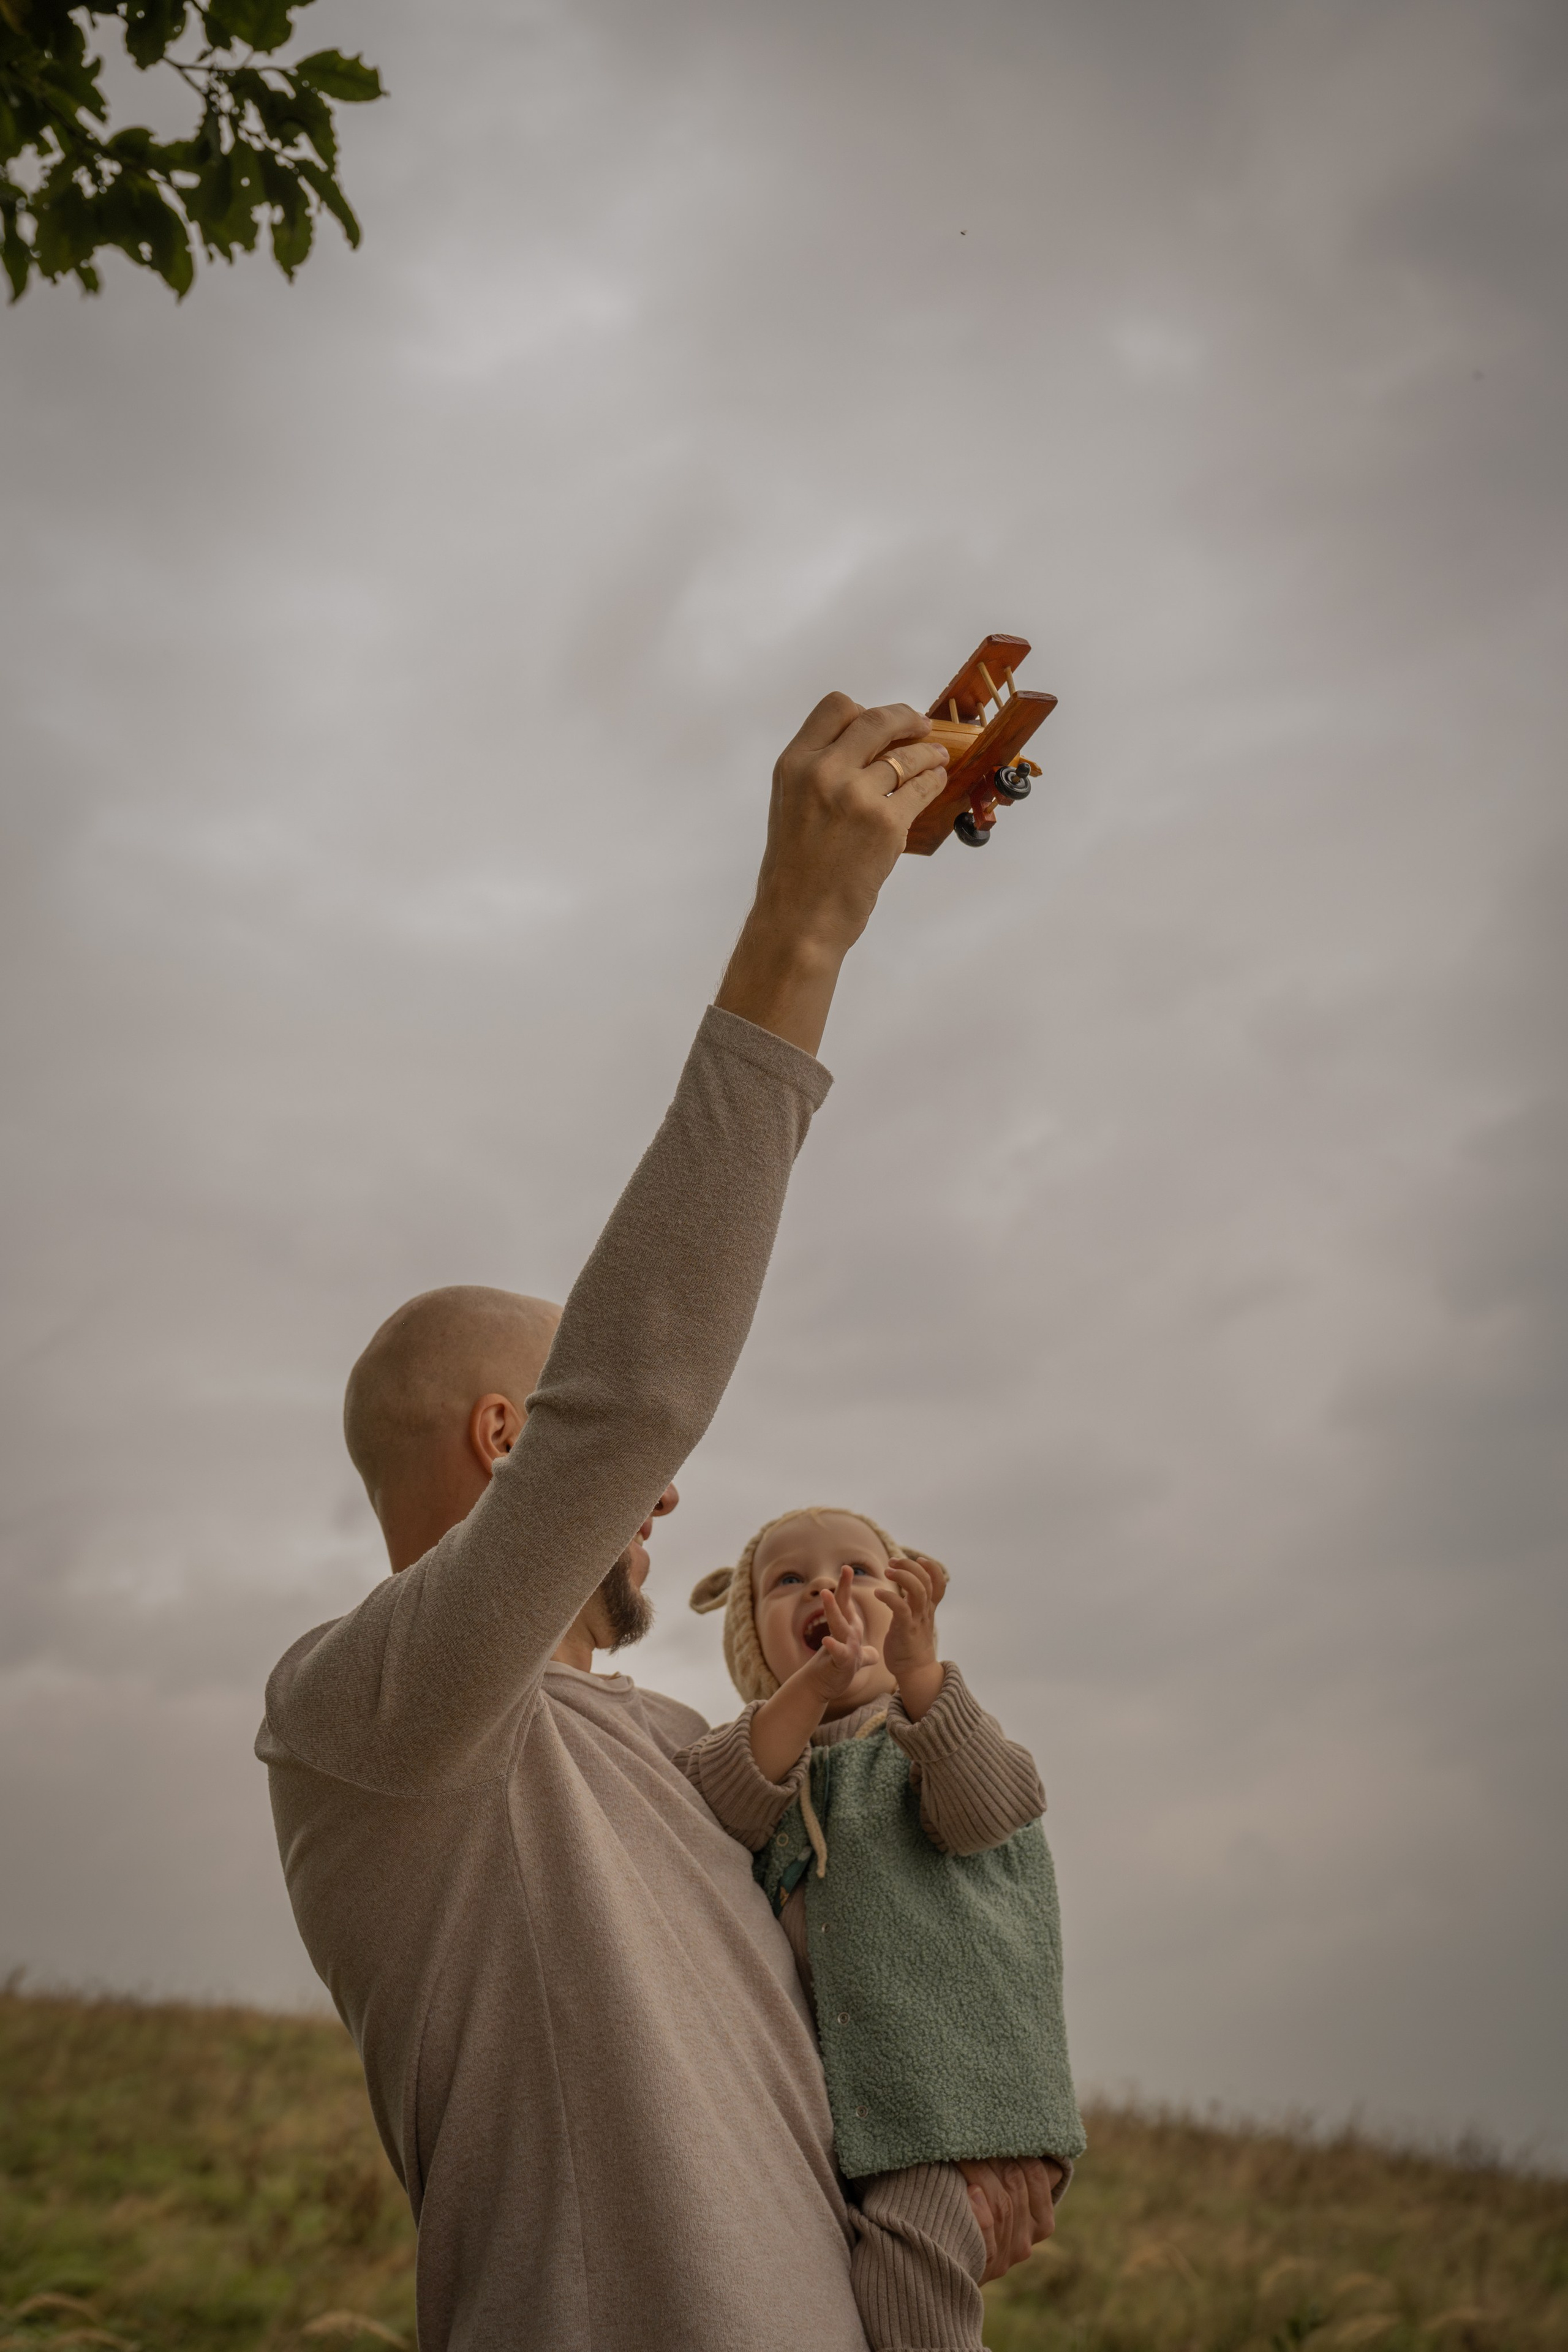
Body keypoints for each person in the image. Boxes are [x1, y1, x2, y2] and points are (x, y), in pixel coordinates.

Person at [257, 691, 1060, 2352]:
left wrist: (945, 2177)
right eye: (562, 1435)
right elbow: (631, 1407)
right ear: (509, 1438)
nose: (668, 1497)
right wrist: (804, 927)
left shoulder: (702, 1755)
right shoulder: (360, 1718)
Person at [683, 1507, 1085, 2352]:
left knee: (910, 2292)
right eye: (787, 1581)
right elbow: (718, 1800)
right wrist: (808, 1694)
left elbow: (987, 1811)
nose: (829, 1587)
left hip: (960, 2104)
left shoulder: (930, 1739)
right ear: (753, 1638)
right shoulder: (767, 1759)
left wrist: (922, 1675)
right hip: (863, 2122)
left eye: (860, 1572)